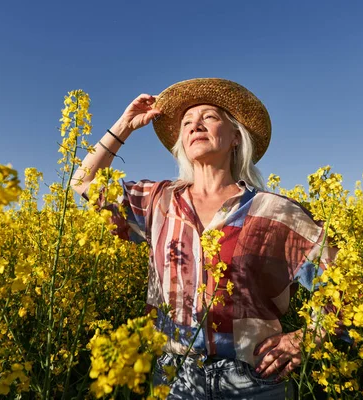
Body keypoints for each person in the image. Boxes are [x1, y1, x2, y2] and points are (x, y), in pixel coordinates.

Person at [71, 78, 336, 399]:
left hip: (253, 379)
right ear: (181, 142)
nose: (195, 124)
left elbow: (347, 282)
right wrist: (124, 125)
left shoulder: (276, 212)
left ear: (236, 136)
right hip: (174, 376)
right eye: (186, 122)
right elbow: (83, 182)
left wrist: (306, 338)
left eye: (209, 117)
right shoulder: (158, 199)